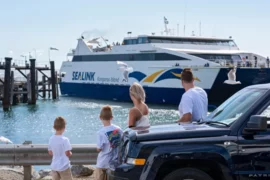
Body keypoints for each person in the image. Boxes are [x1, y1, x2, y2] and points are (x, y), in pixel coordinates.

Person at [95, 105, 123, 180]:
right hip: (114, 163)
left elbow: (99, 149)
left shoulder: (101, 132)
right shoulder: (118, 129)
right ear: (112, 117)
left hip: (103, 162)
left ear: (100, 117)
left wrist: (97, 148)